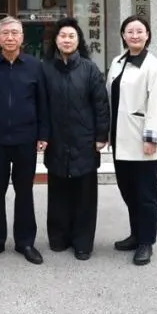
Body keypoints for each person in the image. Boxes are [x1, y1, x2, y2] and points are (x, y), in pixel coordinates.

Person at [0, 16, 50, 265]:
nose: (10, 37)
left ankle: (25, 242)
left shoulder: (35, 66)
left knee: (24, 191)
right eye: (5, 33)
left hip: (26, 138)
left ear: (22, 37)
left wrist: (43, 133)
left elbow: (43, 102)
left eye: (15, 33)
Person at [42, 18, 110, 260]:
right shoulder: (46, 69)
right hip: (56, 140)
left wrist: (101, 135)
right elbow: (41, 105)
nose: (67, 40)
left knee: (84, 195)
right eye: (62, 36)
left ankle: (83, 242)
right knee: (58, 191)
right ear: (55, 40)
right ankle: (59, 238)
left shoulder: (90, 69)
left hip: (85, 140)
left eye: (71, 36)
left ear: (79, 40)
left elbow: (101, 104)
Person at [105, 14, 157, 266]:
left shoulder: (154, 67)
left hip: (142, 141)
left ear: (147, 35)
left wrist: (152, 138)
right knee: (128, 190)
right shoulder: (117, 62)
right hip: (120, 139)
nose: (134, 35)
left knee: (146, 194)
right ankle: (135, 234)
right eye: (130, 31)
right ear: (123, 35)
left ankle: (146, 242)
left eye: (139, 31)